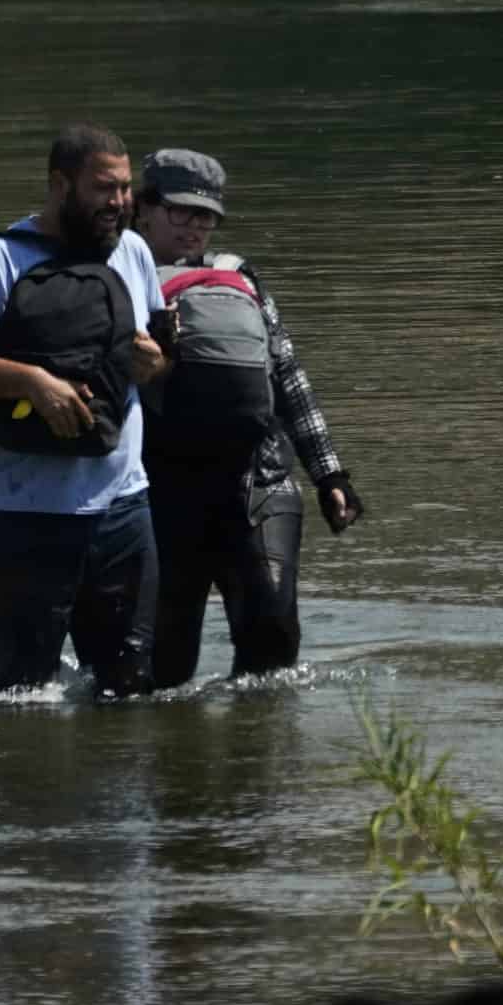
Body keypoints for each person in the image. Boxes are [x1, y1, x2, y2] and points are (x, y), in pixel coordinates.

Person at [0, 124, 172, 697]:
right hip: (24, 513)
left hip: (123, 507)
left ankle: (115, 786)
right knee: (21, 690)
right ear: (60, 185)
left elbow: (158, 365)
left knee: (129, 686)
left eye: (125, 189)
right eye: (103, 189)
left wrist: (152, 362)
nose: (119, 203)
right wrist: (33, 383)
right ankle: (25, 786)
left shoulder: (132, 252)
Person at [131, 148, 365, 687]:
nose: (195, 227)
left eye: (206, 216)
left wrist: (329, 475)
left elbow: (288, 377)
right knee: (162, 670)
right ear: (143, 209)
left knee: (273, 651)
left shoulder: (241, 278)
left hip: (259, 482)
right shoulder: (114, 276)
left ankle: (258, 758)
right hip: (162, 492)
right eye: (180, 212)